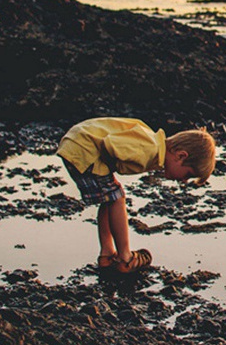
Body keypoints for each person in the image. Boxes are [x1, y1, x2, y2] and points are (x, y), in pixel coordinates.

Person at [56, 117, 216, 274]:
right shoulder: (149, 147)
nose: (183, 181)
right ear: (181, 156)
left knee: (109, 199)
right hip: (83, 148)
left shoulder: (153, 146)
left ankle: (107, 255)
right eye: (187, 175)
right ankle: (125, 257)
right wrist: (109, 167)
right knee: (117, 198)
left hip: (77, 142)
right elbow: (109, 145)